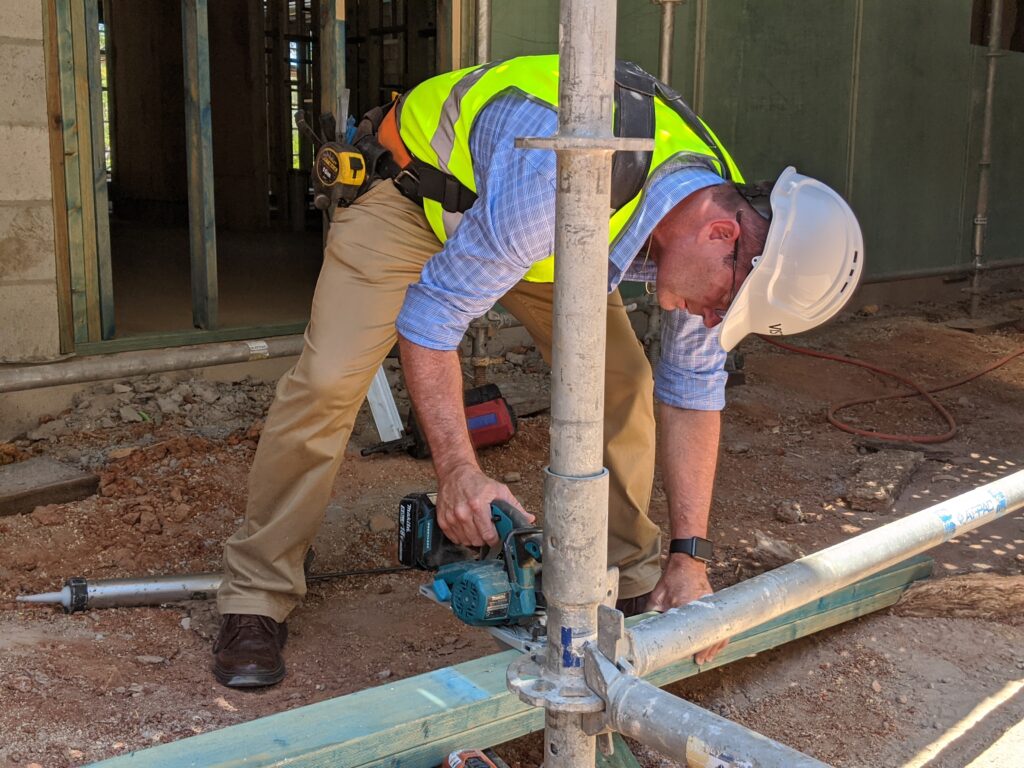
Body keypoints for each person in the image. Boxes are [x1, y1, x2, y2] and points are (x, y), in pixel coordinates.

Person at [211, 55, 863, 688]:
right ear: (721, 236)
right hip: (418, 203)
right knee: (327, 384)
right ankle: (257, 592)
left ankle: (630, 581)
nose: (716, 319)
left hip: (552, 242)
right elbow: (431, 319)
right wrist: (459, 472)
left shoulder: (712, 201)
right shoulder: (557, 178)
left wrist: (690, 556)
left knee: (624, 385)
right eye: (726, 304)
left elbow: (690, 390)